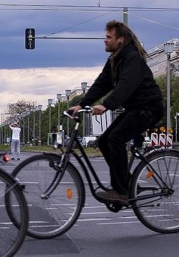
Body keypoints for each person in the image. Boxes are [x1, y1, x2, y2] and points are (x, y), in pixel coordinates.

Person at [68, 20, 163, 205]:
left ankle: (122, 192)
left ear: (121, 40)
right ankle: (127, 184)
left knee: (116, 139)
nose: (105, 40)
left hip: (149, 108)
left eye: (108, 37)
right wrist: (82, 104)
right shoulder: (115, 60)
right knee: (104, 141)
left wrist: (106, 105)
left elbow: (126, 85)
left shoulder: (132, 57)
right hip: (135, 108)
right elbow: (102, 83)